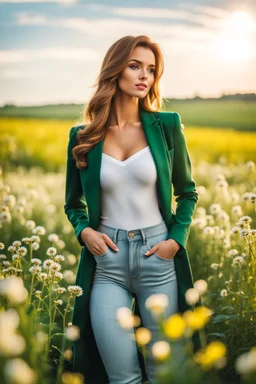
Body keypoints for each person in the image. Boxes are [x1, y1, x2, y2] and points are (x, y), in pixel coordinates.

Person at [64, 35, 200, 384]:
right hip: (106, 262)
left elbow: (187, 193)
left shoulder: (166, 126)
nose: (145, 76)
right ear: (115, 69)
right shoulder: (83, 136)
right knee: (121, 377)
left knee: (164, 373)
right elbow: (73, 204)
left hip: (159, 257)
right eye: (135, 65)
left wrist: (175, 240)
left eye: (151, 70)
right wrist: (85, 232)